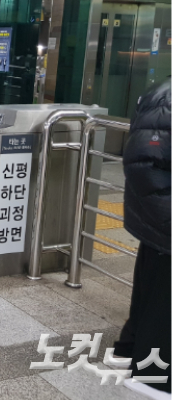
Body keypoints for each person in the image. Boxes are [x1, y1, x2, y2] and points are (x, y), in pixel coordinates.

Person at [113, 78, 171, 394]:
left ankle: (131, 347)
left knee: (153, 290)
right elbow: (144, 166)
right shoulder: (170, 98)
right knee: (165, 299)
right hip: (167, 219)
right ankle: (155, 380)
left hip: (162, 221)